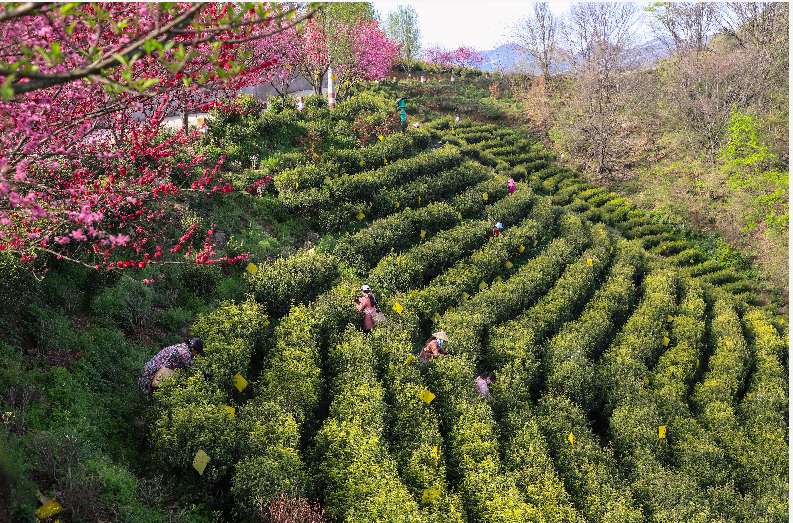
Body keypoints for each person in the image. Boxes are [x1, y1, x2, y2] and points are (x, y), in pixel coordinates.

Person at [139, 338, 204, 395]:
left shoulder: (181, 346)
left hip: (150, 371)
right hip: (151, 375)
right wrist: (203, 375)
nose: (196, 354)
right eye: (197, 352)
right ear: (193, 349)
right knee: (150, 397)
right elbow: (191, 368)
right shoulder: (184, 352)